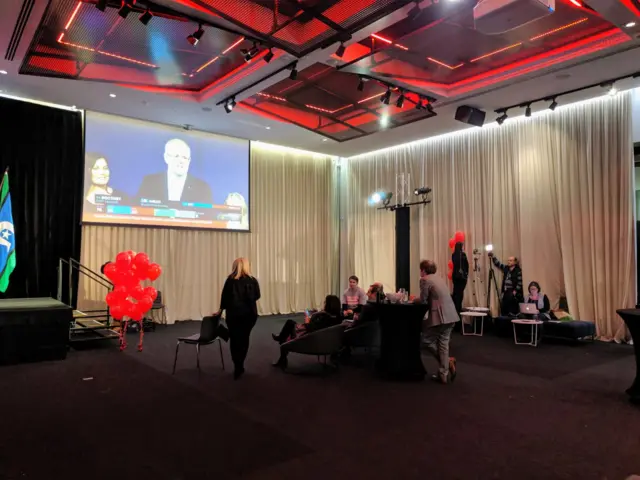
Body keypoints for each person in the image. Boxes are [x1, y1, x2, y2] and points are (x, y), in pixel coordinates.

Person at [271, 294, 342, 369]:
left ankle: (282, 352)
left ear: (329, 305)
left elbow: (312, 329)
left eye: (325, 303)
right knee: (289, 327)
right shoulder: (338, 317)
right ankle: (281, 341)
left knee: (289, 325)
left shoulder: (324, 316)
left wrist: (308, 320)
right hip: (329, 343)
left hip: (312, 340)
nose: (324, 304)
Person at [219, 257, 260, 380]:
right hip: (249, 315)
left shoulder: (230, 281)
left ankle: (237, 363)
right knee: (244, 338)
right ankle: (240, 362)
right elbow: (257, 296)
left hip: (233, 315)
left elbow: (224, 298)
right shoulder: (253, 281)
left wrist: (220, 310)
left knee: (234, 339)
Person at [137, 138, 213, 205]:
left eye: (185, 157)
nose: (181, 161)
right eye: (177, 156)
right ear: (166, 157)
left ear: (189, 161)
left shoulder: (202, 188)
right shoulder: (150, 182)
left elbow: (208, 215)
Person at [418, 260, 458, 384]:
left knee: (426, 341)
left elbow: (423, 301)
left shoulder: (425, 280)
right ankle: (443, 373)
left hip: (439, 317)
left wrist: (414, 300)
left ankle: (447, 363)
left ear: (423, 270)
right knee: (443, 344)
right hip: (451, 315)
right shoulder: (439, 279)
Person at [451, 242, 469, 315]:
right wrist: (466, 274)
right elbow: (466, 265)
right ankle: (459, 308)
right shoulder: (463, 255)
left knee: (455, 292)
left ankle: (455, 308)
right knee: (460, 292)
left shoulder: (453, 255)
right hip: (462, 277)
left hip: (455, 276)